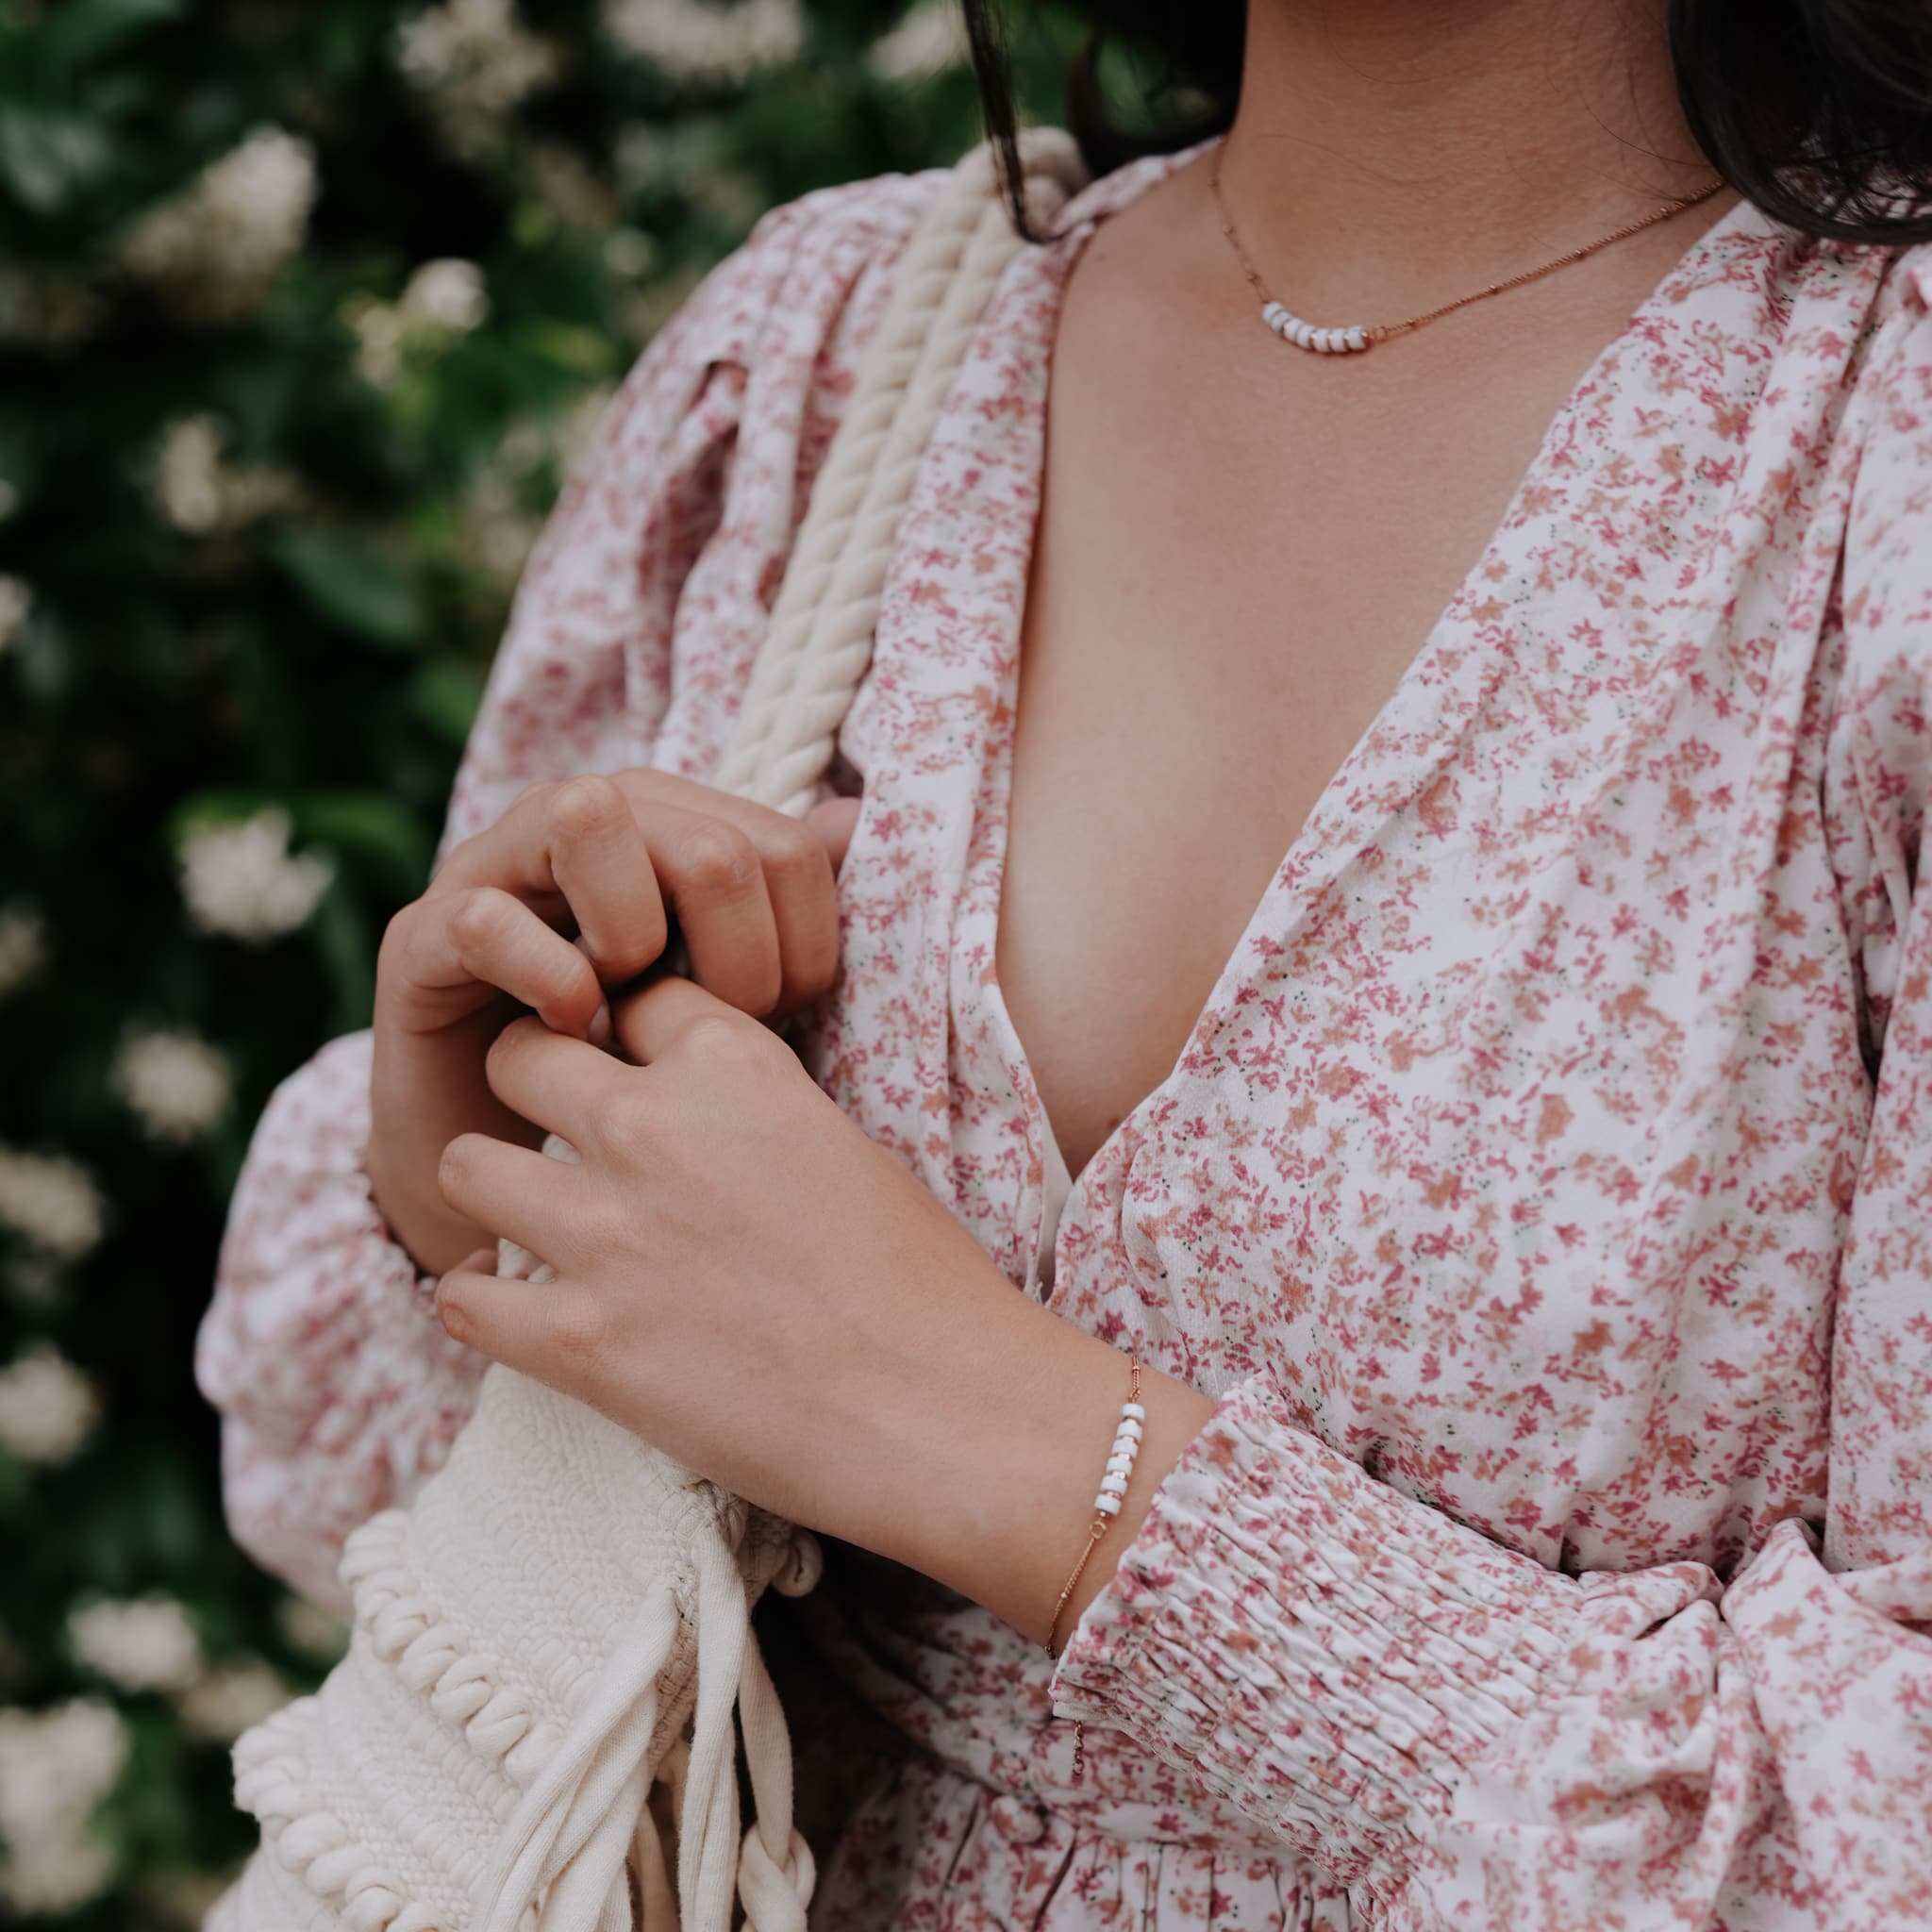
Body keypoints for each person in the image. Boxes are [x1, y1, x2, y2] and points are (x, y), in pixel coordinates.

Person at [197, 0, 1932, 1924]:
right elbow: (336, 1494)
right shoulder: (836, 362)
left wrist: (1015, 1449)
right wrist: (478, 1166)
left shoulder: (1884, 472)